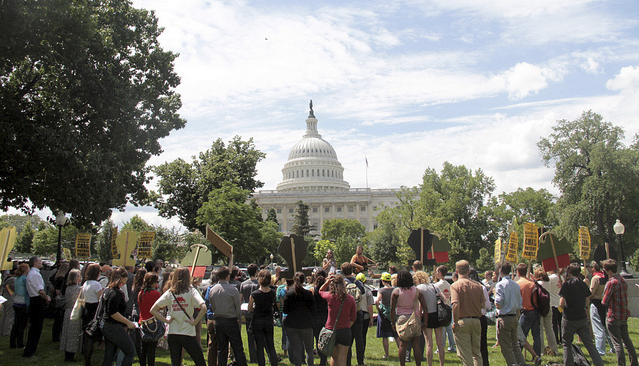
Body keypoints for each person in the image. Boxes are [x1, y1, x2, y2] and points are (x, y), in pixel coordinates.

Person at [151, 267, 207, 366]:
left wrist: (166, 321)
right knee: (200, 362)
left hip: (173, 333)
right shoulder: (191, 290)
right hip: (187, 332)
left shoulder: (170, 292)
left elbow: (153, 310)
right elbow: (203, 307)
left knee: (175, 363)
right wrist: (195, 322)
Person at [559, 262, 604, 366]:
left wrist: (560, 310)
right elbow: (586, 301)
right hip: (582, 317)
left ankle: (568, 364)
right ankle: (599, 363)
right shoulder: (583, 284)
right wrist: (587, 315)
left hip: (569, 318)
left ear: (569, 271)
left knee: (567, 344)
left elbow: (562, 303)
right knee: (589, 344)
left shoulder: (567, 284)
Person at [207, 265, 247, 366]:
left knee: (221, 348)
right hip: (231, 320)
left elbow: (212, 305)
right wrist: (238, 317)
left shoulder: (213, 289)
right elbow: (237, 306)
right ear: (227, 276)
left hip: (218, 320)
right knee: (237, 347)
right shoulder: (232, 290)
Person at [602, 259, 638, 366]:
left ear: (608, 270)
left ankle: (621, 364)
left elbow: (604, 301)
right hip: (623, 315)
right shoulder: (622, 280)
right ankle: (634, 362)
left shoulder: (611, 282)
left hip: (613, 315)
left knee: (617, 343)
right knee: (627, 340)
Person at [390, 269, 429, 366]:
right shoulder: (417, 291)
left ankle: (402, 364)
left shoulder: (396, 291)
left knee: (403, 344)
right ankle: (418, 364)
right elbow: (425, 307)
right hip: (415, 317)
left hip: (402, 318)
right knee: (416, 344)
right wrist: (425, 323)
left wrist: (392, 322)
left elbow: (392, 308)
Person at [450, 260, 484, 366]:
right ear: (468, 271)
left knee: (466, 354)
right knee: (477, 354)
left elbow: (455, 304)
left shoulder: (455, 286)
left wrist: (455, 322)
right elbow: (482, 304)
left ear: (456, 271)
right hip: (476, 320)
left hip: (462, 320)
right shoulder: (478, 285)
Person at [318, 274, 358, 366]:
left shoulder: (330, 297)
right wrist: (347, 325)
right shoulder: (350, 299)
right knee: (342, 358)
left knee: (333, 357)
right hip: (345, 331)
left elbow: (320, 291)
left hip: (331, 330)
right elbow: (353, 317)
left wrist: (327, 282)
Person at [101, 267, 137, 366]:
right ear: (121, 278)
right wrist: (127, 322)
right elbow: (112, 313)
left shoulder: (108, 290)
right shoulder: (115, 293)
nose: (127, 279)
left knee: (109, 356)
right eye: (125, 277)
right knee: (130, 352)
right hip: (114, 326)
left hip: (107, 326)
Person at [494, 262, 528, 366]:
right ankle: (522, 363)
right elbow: (519, 304)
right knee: (515, 346)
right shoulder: (515, 284)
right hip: (514, 317)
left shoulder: (500, 285)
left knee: (506, 347)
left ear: (500, 271)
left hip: (505, 317)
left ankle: (513, 364)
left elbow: (498, 304)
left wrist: (495, 295)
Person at [283, 272, 317, 366]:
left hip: (292, 325)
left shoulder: (288, 294)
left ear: (294, 280)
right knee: (309, 349)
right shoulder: (308, 294)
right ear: (304, 280)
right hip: (306, 324)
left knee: (296, 349)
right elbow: (313, 310)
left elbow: (285, 310)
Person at [248, 269, 279, 366]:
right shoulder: (273, 293)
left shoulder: (254, 294)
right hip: (268, 320)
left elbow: (249, 308)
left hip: (258, 321)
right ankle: (274, 363)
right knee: (270, 345)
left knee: (260, 346)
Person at [415, 271, 446, 366]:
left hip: (426, 315)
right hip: (437, 314)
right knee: (440, 343)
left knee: (429, 343)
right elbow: (444, 298)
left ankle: (430, 364)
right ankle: (442, 364)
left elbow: (418, 305)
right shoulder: (434, 286)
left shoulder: (419, 288)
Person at [23, 256, 50, 358]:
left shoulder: (32, 273)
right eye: (39, 261)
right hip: (37, 301)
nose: (41, 263)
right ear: (35, 263)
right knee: (36, 328)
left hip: (34, 300)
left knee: (34, 327)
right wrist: (46, 298)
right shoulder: (35, 274)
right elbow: (40, 290)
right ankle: (30, 351)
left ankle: (30, 350)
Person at [342, 263, 365, 366]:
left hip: (346, 314)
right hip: (358, 312)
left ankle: (348, 362)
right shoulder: (358, 282)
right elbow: (363, 294)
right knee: (359, 338)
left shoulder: (342, 283)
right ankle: (360, 361)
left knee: (348, 339)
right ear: (352, 270)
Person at [516, 263, 541, 359]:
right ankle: (537, 356)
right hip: (535, 311)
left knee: (521, 337)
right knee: (536, 336)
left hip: (525, 311)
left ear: (518, 272)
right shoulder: (532, 283)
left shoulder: (517, 284)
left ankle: (518, 357)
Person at [587, 261, 612, 356]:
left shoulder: (595, 278)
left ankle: (600, 350)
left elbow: (591, 292)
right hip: (604, 303)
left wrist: (586, 286)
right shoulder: (604, 276)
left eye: (590, 267)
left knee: (598, 328)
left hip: (596, 302)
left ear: (593, 268)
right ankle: (612, 347)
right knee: (606, 327)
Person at [82, 262, 105, 366]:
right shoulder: (96, 284)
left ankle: (86, 357)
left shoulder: (85, 283)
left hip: (87, 308)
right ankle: (88, 360)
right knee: (91, 335)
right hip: (94, 309)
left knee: (87, 335)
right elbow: (101, 298)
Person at [468, 268, 492, 366]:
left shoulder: (466, 287)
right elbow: (488, 305)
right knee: (482, 343)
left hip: (470, 316)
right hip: (481, 317)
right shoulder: (481, 287)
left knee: (471, 344)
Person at [534, 267, 559, 356]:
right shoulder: (548, 282)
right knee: (550, 329)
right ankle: (554, 349)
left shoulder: (538, 284)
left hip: (540, 308)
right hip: (549, 306)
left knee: (540, 330)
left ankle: (541, 350)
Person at [137, 272, 161, 366]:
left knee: (143, 347)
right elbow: (161, 307)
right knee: (152, 349)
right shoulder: (155, 294)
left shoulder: (141, 293)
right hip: (153, 322)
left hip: (142, 321)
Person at [60, 269, 83, 362]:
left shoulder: (68, 288)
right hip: (75, 312)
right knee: (73, 334)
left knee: (67, 333)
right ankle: (71, 355)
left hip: (68, 311)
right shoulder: (79, 289)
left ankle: (67, 354)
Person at [433, 265, 455, 353]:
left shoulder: (437, 285)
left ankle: (440, 347)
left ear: (440, 273)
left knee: (441, 328)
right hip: (448, 307)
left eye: (437, 272)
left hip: (441, 308)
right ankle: (452, 346)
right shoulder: (448, 284)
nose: (436, 273)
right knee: (449, 328)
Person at [240, 263, 260, 363]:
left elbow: (241, 299)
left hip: (247, 311)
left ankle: (253, 357)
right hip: (257, 312)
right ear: (256, 272)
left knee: (250, 336)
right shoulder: (259, 284)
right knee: (259, 335)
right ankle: (259, 355)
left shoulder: (243, 284)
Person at [375, 272, 397, 359]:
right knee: (396, 334)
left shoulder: (381, 290)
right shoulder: (395, 290)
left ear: (383, 281)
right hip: (393, 313)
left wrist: (378, 308)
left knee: (384, 335)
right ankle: (401, 352)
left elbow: (377, 301)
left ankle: (387, 354)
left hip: (384, 314)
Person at [312, 270, 330, 366]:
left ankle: (321, 358)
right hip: (325, 316)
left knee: (317, 339)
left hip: (316, 317)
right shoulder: (327, 292)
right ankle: (324, 359)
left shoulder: (313, 291)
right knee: (325, 339)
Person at [10, 263, 29, 349]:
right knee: (22, 325)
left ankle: (12, 343)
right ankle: (20, 343)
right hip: (22, 302)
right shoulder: (24, 279)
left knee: (16, 324)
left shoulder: (17, 278)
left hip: (16, 302)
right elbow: (27, 291)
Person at [356, 273, 374, 357]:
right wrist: (371, 319)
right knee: (362, 336)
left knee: (353, 336)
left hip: (355, 314)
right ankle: (361, 354)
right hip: (365, 315)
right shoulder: (368, 290)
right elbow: (370, 306)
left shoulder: (353, 289)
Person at [204, 270, 219, 366]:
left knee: (211, 344)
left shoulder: (208, 288)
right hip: (217, 318)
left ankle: (211, 363)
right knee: (220, 344)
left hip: (209, 317)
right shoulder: (217, 289)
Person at [547, 268, 563, 346]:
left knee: (554, 323)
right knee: (560, 323)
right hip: (560, 303)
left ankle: (556, 339)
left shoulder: (550, 278)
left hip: (553, 303)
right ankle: (562, 339)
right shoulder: (561, 277)